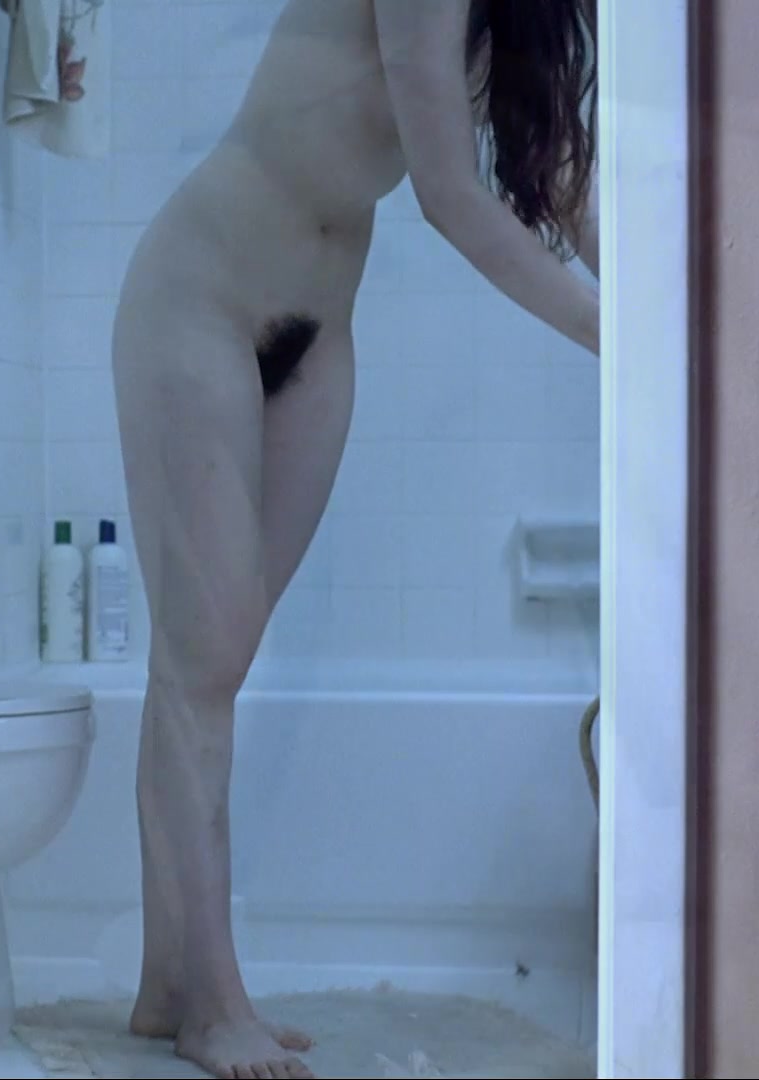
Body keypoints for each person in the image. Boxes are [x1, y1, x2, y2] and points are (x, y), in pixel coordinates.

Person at [111, 1, 600, 1076]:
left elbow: (558, 180)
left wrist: (664, 316)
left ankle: (165, 985)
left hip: (321, 330)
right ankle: (212, 1007)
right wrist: (615, 338)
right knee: (202, 661)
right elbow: (449, 197)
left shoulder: (518, 15)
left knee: (208, 663)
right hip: (201, 300)